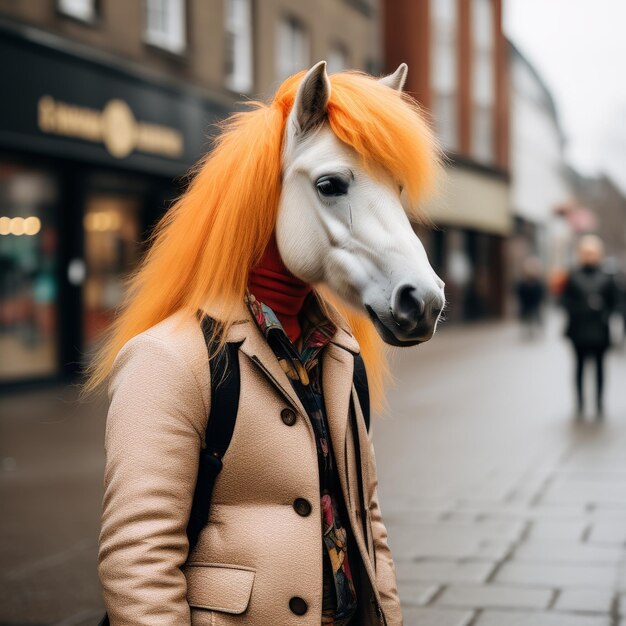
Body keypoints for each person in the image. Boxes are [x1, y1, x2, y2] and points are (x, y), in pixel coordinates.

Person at [83, 62, 445, 626]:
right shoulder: (170, 358)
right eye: (331, 185)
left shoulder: (339, 352)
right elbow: (138, 559)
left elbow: (364, 520)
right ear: (280, 183)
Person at [561, 235, 618, 418]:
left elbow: (616, 302)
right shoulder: (573, 276)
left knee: (600, 367)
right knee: (579, 366)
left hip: (600, 330)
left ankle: (599, 402)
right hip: (579, 329)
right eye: (586, 252)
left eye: (592, 252)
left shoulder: (607, 278)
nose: (589, 256)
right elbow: (564, 301)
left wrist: (603, 310)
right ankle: (580, 402)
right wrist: (580, 308)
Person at [515, 257, 546, 339]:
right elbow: (519, 292)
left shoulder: (538, 282)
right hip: (526, 305)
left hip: (535, 304)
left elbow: (542, 293)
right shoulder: (522, 282)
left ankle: (536, 331)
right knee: (526, 319)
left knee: (536, 318)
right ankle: (527, 332)